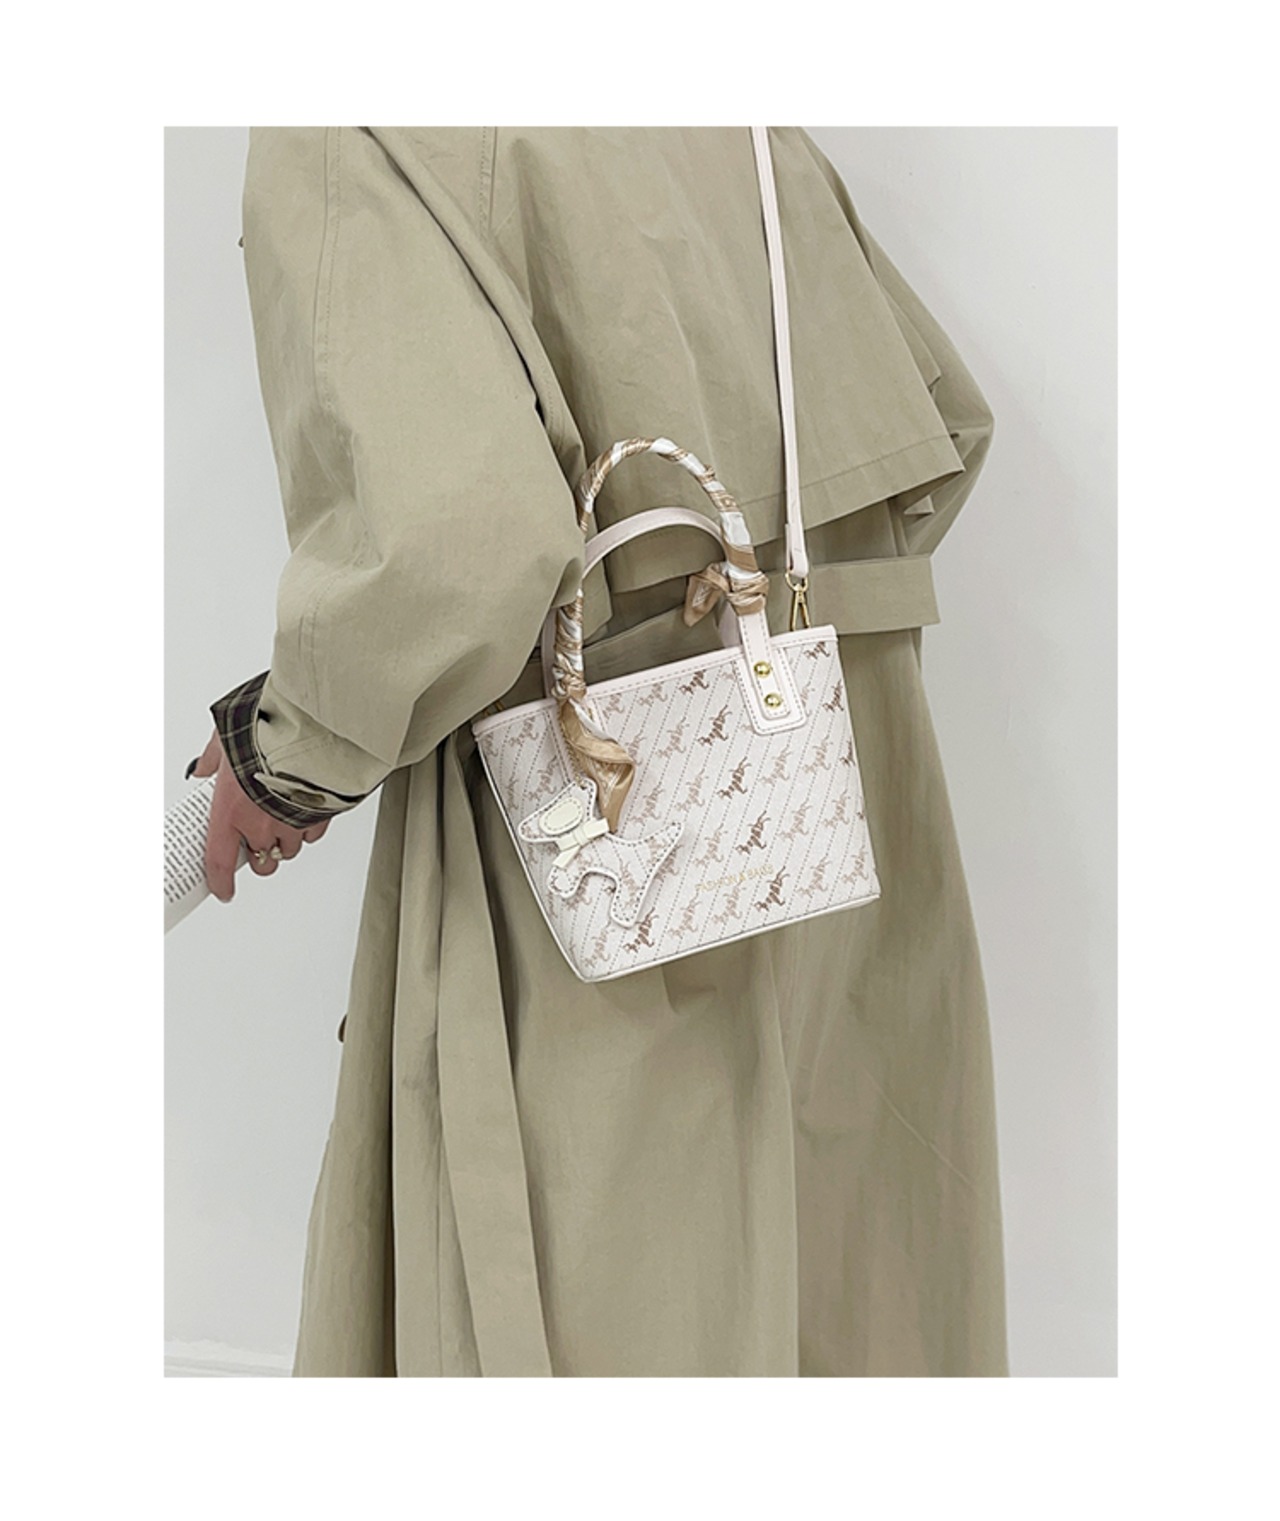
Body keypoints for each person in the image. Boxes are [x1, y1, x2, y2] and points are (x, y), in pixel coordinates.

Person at [190, 126, 1008, 1376]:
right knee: (856, 1287)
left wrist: (284, 759)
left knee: (604, 1305)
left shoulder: (350, 126)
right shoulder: (727, 115)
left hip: (592, 828)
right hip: (839, 797)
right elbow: (940, 421)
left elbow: (451, 554)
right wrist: (753, 628)